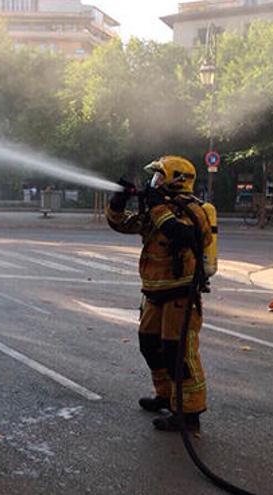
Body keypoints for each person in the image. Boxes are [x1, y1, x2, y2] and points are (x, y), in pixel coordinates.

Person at [106, 156, 213, 433]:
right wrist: (117, 203)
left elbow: (181, 234)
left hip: (180, 293)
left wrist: (157, 204)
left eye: (159, 176)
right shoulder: (157, 210)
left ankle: (189, 412)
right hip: (153, 291)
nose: (154, 182)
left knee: (179, 353)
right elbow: (124, 225)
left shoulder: (194, 210)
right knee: (149, 344)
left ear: (176, 179)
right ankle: (165, 395)